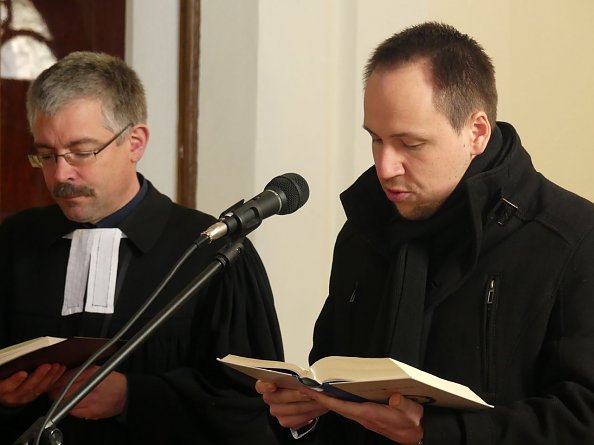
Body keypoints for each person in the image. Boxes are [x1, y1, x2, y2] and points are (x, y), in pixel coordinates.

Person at [256, 21, 594, 444]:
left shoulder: (575, 239)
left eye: (410, 144)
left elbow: (584, 418)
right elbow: (333, 374)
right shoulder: (364, 230)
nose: (385, 167)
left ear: (476, 132)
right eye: (376, 140)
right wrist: (308, 412)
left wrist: (436, 434)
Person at [0, 51, 284, 444]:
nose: (61, 174)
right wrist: (4, 399)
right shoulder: (13, 242)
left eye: (81, 152)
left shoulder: (213, 251)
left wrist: (132, 397)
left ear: (134, 142)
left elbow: (259, 406)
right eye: (46, 155)